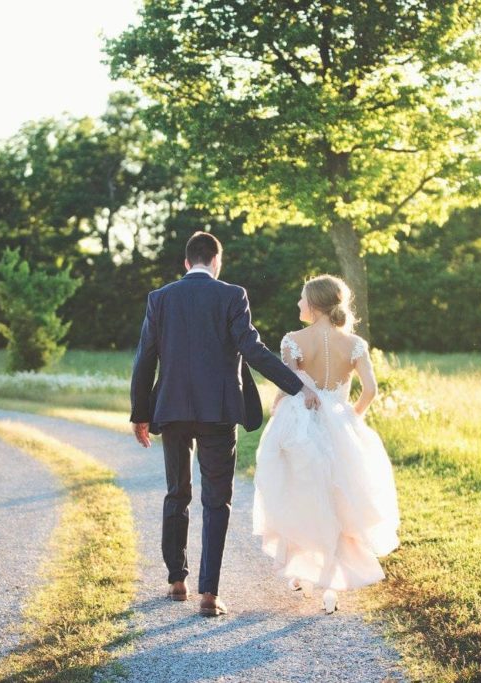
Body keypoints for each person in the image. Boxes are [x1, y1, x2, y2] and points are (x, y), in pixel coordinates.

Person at [129, 231, 320, 617]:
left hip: (172, 409)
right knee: (217, 501)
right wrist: (297, 386)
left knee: (176, 492)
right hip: (218, 413)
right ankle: (209, 595)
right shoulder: (232, 295)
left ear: (187, 263)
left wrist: (140, 412)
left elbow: (144, 359)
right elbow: (252, 349)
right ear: (217, 261)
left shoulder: (160, 298)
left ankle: (176, 580)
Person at [252, 274, 400, 614]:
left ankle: (303, 571)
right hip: (340, 424)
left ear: (315, 304)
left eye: (302, 299)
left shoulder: (294, 340)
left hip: (301, 427)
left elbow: (289, 385)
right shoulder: (355, 343)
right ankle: (329, 585)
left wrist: (276, 409)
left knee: (298, 493)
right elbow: (371, 390)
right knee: (337, 500)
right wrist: (352, 417)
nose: (298, 304)